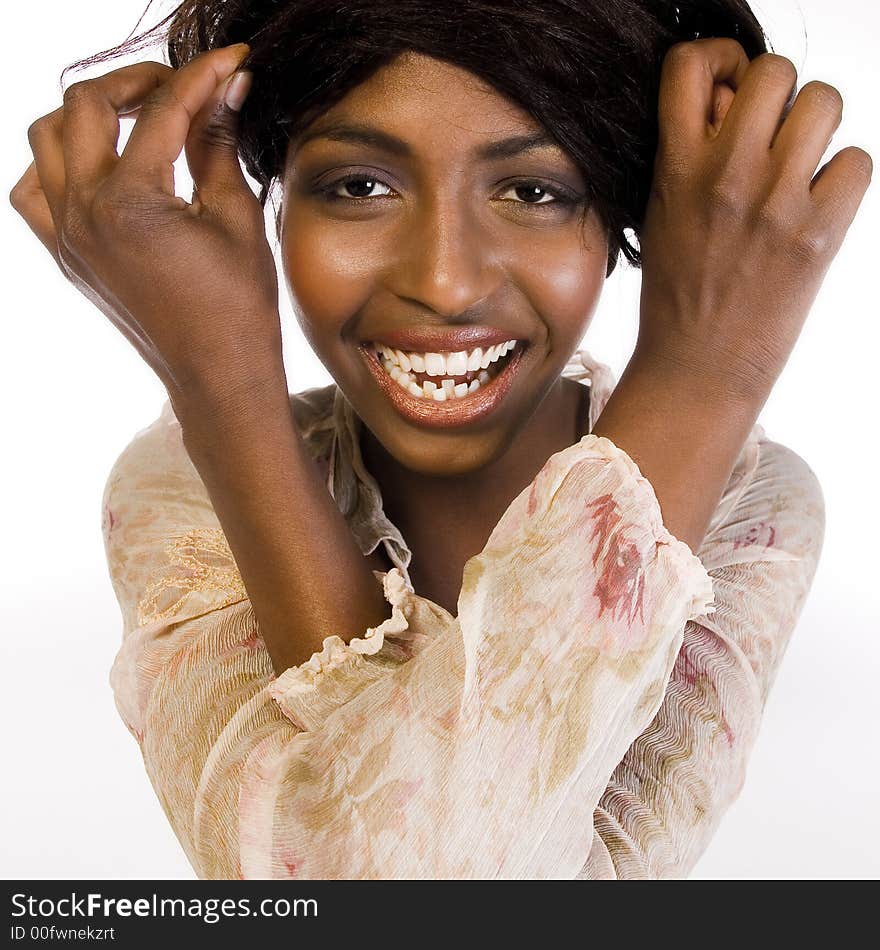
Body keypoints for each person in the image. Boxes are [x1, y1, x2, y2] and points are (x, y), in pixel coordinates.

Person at [9, 0, 870, 879]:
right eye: (359, 187)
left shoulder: (747, 505)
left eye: (534, 191)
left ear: (629, 218)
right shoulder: (181, 486)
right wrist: (220, 383)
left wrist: (708, 370)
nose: (445, 282)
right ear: (273, 208)